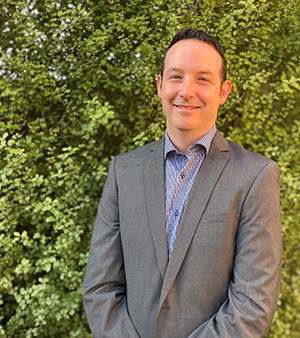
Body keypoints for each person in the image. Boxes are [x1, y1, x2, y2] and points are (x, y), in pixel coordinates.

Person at [83, 28, 282, 338]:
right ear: (160, 86)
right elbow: (100, 288)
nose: (187, 91)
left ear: (223, 91)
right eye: (176, 77)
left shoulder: (256, 176)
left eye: (203, 79)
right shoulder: (124, 171)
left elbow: (252, 304)